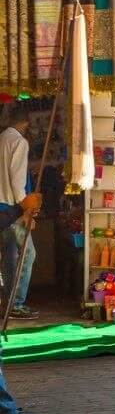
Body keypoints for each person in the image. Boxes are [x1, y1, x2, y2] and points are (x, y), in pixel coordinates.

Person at [1, 109, 41, 320]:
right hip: (12, 210)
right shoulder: (19, 143)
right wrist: (27, 211)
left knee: (9, 257)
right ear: (25, 123)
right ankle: (15, 304)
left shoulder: (1, 139)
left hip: (2, 210)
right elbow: (18, 185)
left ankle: (8, 302)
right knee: (28, 254)